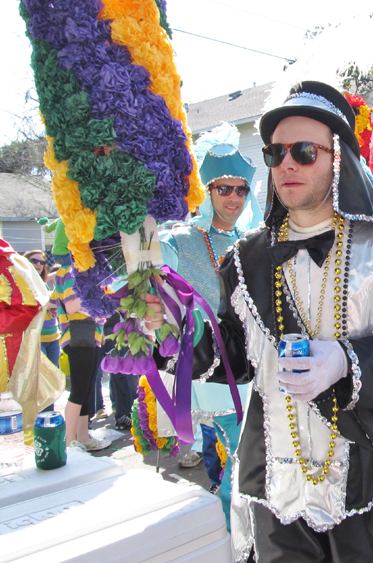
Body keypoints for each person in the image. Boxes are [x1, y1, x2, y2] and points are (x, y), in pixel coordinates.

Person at [144, 81, 373, 562]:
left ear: (338, 160)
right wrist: (173, 330)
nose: (287, 163)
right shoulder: (245, 259)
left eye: (305, 151)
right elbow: (236, 357)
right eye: (275, 152)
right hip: (276, 489)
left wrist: (349, 363)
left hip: (372, 480)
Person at [159, 123, 258, 514]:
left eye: (240, 190)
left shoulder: (251, 240)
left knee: (246, 461)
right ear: (207, 191)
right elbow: (156, 267)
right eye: (223, 188)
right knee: (243, 460)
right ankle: (237, 537)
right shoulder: (181, 238)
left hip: (256, 367)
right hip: (217, 371)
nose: (233, 198)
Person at [0, 238, 64, 445]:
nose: (39, 265)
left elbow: (30, 306)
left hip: (8, 356)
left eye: (41, 262)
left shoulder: (9, 264)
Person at [50, 256, 110, 451]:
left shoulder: (81, 271)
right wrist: (101, 303)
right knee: (78, 391)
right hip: (78, 337)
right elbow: (72, 305)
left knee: (85, 390)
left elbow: (52, 303)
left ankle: (82, 437)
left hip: (89, 336)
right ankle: (69, 444)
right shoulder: (70, 271)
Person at [24, 250, 61, 370]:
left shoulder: (43, 285)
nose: (39, 264)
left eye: (42, 262)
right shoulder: (23, 285)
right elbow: (42, 304)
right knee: (42, 377)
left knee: (53, 376)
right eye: (34, 261)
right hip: (36, 340)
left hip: (53, 338)